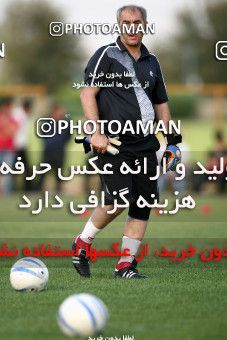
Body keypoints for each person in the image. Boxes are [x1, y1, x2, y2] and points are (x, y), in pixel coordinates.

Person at [72, 5, 182, 279]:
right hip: (112, 143)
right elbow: (87, 95)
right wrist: (95, 131)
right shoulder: (106, 55)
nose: (132, 27)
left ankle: (125, 265)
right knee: (118, 199)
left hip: (146, 143)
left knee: (142, 203)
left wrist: (172, 142)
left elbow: (161, 104)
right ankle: (82, 242)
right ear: (119, 25)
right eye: (126, 22)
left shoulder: (152, 61)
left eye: (137, 22)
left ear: (145, 25)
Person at [37, 104, 71, 192]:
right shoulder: (46, 122)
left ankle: (58, 190)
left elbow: (68, 136)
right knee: (43, 171)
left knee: (59, 173)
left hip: (60, 151)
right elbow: (43, 134)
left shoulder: (66, 123)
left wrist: (61, 143)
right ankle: (38, 189)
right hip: (48, 150)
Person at [13, 99, 33, 191]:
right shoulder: (19, 115)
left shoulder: (20, 114)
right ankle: (25, 187)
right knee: (18, 167)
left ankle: (26, 187)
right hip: (17, 145)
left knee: (22, 168)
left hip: (20, 145)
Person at [0, 97, 18, 195]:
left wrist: (4, 125)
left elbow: (12, 132)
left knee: (7, 173)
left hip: (8, 150)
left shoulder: (13, 120)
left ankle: (6, 192)